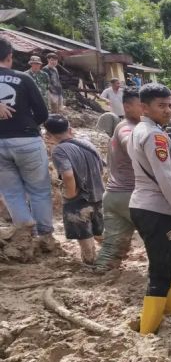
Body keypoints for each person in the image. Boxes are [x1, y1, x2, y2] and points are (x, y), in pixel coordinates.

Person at [128, 83, 171, 335]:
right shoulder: (155, 135)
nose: (168, 110)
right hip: (157, 209)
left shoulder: (139, 130)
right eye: (161, 106)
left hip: (146, 207)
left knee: (167, 260)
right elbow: (165, 178)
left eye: (170, 105)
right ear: (144, 107)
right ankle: (148, 329)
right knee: (162, 268)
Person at [0, 37, 55, 247]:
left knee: (11, 191)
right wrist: (28, 124)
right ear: (10, 56)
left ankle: (25, 229)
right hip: (27, 140)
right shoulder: (24, 78)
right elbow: (42, 113)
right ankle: (46, 235)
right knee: (39, 190)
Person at [43, 115, 104, 265]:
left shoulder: (59, 150)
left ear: (48, 135)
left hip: (79, 199)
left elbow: (68, 175)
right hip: (97, 194)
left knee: (84, 235)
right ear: (69, 129)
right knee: (99, 231)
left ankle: (90, 264)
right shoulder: (88, 144)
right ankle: (109, 255)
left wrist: (70, 195)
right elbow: (101, 168)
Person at [94, 89, 143, 270]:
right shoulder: (128, 128)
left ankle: (101, 272)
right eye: (141, 105)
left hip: (114, 196)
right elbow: (129, 141)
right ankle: (169, 277)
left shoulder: (121, 127)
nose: (145, 109)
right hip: (133, 196)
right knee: (160, 239)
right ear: (127, 107)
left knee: (112, 247)